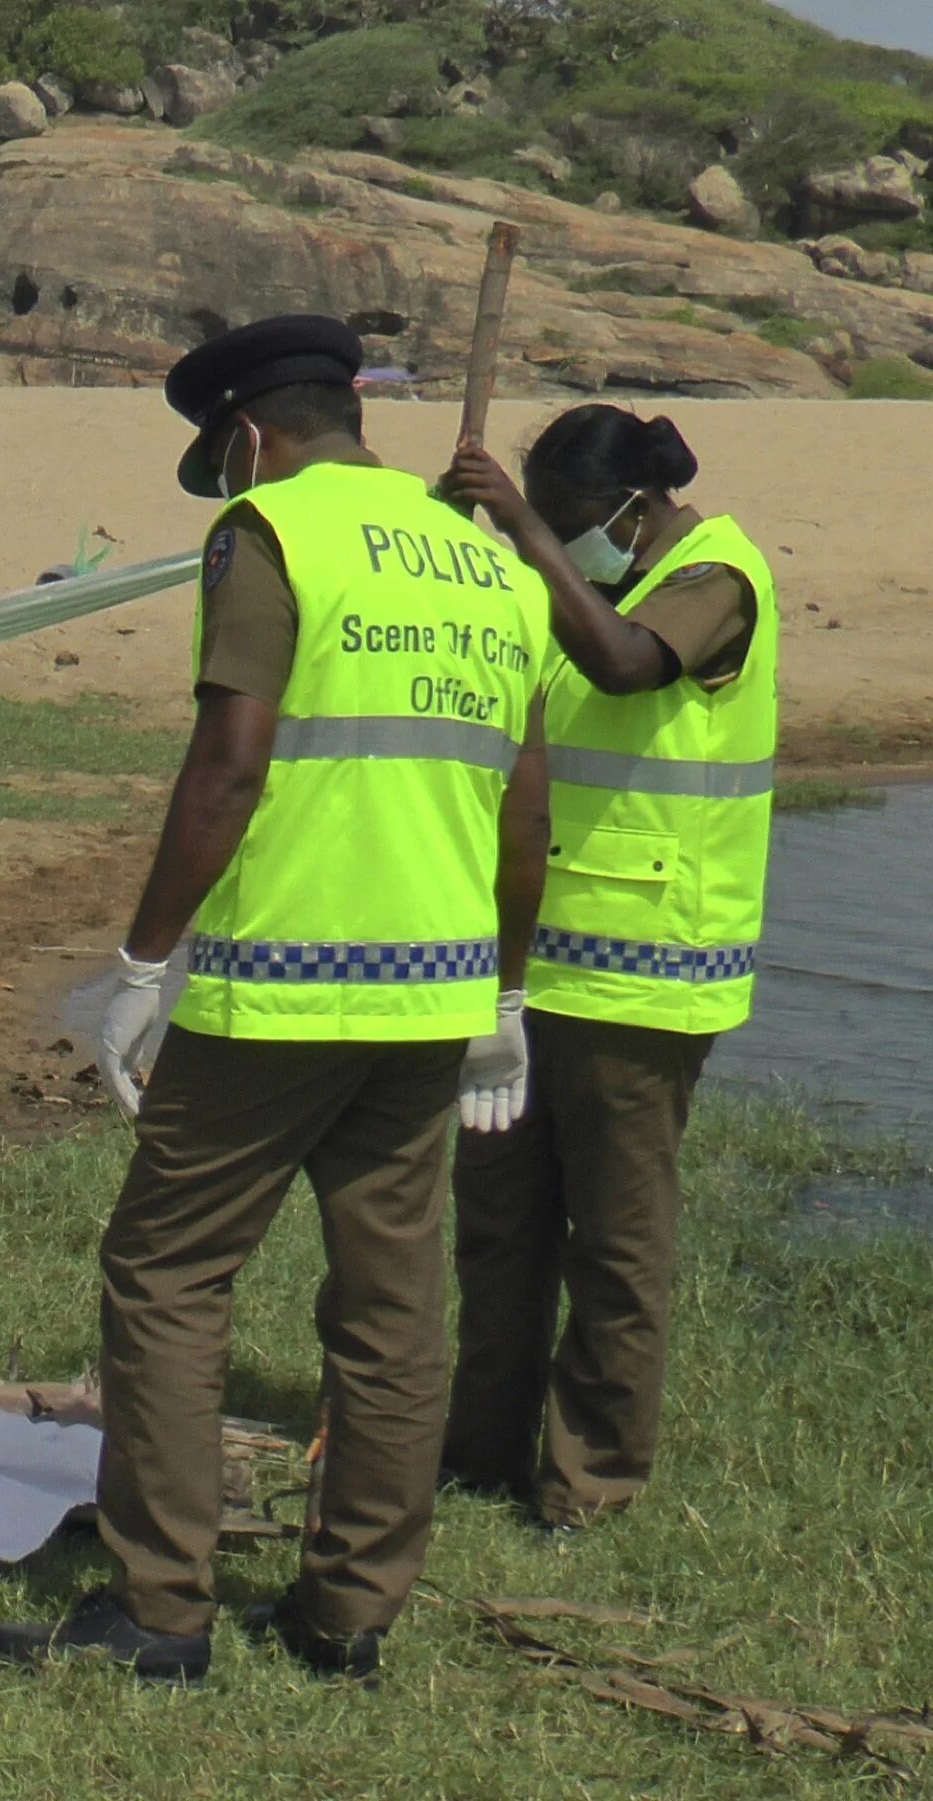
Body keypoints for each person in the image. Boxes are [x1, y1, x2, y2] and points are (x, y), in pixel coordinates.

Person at [0, 316, 551, 1686]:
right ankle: (351, 1611)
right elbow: (528, 808)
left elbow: (230, 760)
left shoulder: (272, 533)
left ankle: (161, 1607)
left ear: (247, 433)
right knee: (392, 1305)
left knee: (169, 1273)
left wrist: (140, 960)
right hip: (435, 999)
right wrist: (510, 988)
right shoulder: (491, 558)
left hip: (280, 985)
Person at [435, 408, 776, 1531]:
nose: (569, 542)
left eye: (579, 523)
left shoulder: (717, 576)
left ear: (635, 509)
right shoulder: (573, 583)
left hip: (647, 981)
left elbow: (627, 665)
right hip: (526, 975)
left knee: (617, 1249)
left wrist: (527, 533)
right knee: (499, 1229)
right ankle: (478, 1452)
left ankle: (589, 1485)